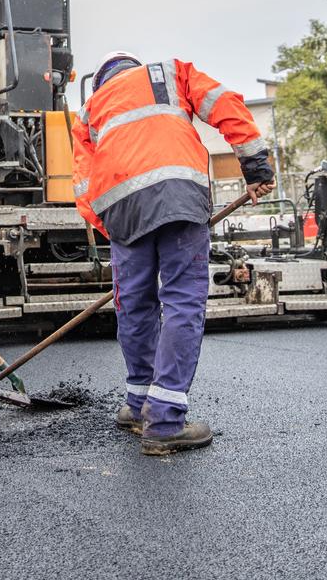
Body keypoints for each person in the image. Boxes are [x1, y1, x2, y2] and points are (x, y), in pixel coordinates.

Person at [72, 52, 274, 456]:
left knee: (134, 304)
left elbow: (83, 186)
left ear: (102, 82)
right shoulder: (170, 72)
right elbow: (226, 106)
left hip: (121, 208)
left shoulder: (89, 111)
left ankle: (137, 404)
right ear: (135, 67)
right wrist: (256, 169)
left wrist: (117, 231)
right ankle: (164, 421)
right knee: (181, 301)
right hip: (179, 193)